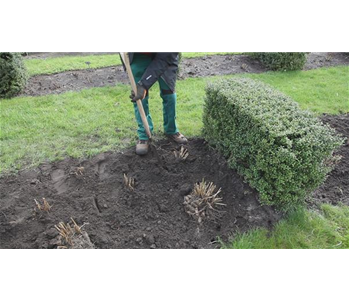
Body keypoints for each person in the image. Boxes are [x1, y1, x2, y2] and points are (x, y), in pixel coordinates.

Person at [126, 52, 187, 155]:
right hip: (139, 55)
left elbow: (163, 59)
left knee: (169, 92)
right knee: (139, 95)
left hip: (165, 56)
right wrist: (141, 86)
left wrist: (144, 84)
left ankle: (171, 130)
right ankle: (144, 135)